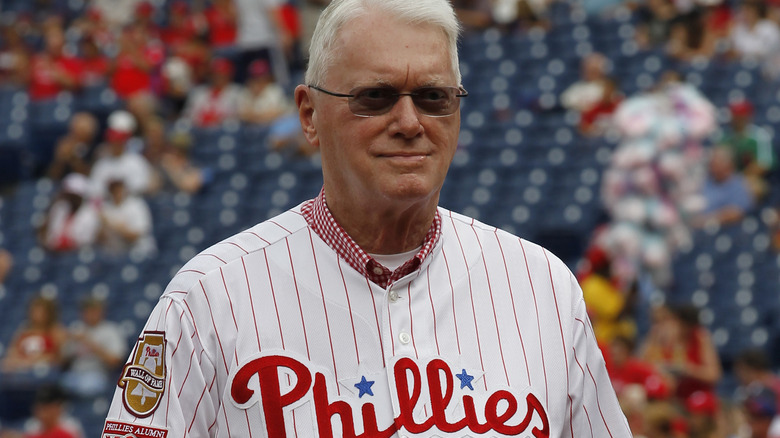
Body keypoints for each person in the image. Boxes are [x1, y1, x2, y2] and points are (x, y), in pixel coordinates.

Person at [103, 0, 630, 436]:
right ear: (309, 115)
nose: (409, 121)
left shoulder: (543, 288)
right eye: (374, 98)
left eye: (433, 97)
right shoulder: (209, 298)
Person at [61, 297, 126, 398]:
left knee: (88, 386)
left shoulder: (110, 330)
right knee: (57, 386)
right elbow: (62, 360)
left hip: (98, 374)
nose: (90, 314)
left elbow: (116, 361)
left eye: (94, 311)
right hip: (75, 373)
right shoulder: (76, 328)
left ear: (101, 312)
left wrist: (89, 343)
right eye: (87, 311)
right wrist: (68, 340)